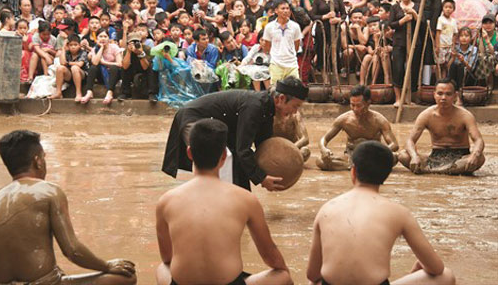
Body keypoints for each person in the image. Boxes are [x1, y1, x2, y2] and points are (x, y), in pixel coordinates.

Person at [0, 130, 137, 285]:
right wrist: (107, 266)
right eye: (44, 158)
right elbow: (73, 251)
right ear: (38, 161)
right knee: (126, 277)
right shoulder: (49, 191)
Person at [156, 119, 293, 285]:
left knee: (162, 268)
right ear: (223, 156)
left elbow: (167, 257)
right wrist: (283, 268)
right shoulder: (246, 199)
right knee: (282, 275)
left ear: (190, 153)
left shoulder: (166, 201)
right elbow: (270, 256)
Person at [307, 141, 456, 285]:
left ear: (353, 171)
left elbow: (313, 274)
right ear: (386, 175)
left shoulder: (327, 208)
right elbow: (437, 269)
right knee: (446, 276)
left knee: (312, 283)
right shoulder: (399, 213)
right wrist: (420, 267)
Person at [162, 76, 308, 191]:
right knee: (222, 157)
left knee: (236, 160)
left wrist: (271, 170)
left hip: (217, 125)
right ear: (281, 99)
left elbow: (263, 147)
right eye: (295, 106)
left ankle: (240, 203)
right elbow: (243, 149)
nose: (295, 112)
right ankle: (214, 203)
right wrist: (261, 178)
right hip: (194, 119)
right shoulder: (255, 106)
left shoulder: (267, 111)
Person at [398, 78, 486, 175]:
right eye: (440, 94)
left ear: (455, 96)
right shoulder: (426, 115)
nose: (443, 97)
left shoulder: (465, 115)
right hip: (435, 157)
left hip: (460, 157)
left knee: (480, 158)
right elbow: (410, 140)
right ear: (434, 94)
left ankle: (432, 172)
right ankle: (447, 171)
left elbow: (478, 140)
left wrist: (474, 155)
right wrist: (414, 156)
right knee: (403, 155)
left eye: (448, 94)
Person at [316, 85, 399, 171]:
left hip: (372, 156)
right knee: (320, 161)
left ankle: (358, 166)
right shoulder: (344, 119)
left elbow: (394, 144)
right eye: (352, 105)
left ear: (368, 103)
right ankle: (354, 166)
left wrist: (378, 153)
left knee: (393, 157)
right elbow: (324, 138)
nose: (355, 109)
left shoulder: (379, 120)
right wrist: (323, 149)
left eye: (359, 105)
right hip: (351, 155)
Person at [262, 0, 302, 85]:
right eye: (283, 8)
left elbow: (296, 45)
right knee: (275, 90)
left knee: (295, 90)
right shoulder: (269, 27)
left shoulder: (295, 26)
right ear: (276, 11)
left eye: (287, 8)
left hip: (292, 64)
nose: (286, 11)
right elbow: (267, 46)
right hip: (276, 64)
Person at [119, 32, 158, 102]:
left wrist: (141, 53)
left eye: (137, 42)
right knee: (123, 69)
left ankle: (152, 93)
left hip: (144, 71)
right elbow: (125, 66)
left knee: (151, 68)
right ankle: (125, 93)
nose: (135, 44)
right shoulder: (126, 51)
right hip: (131, 70)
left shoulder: (147, 49)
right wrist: (128, 52)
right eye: (132, 42)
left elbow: (146, 67)